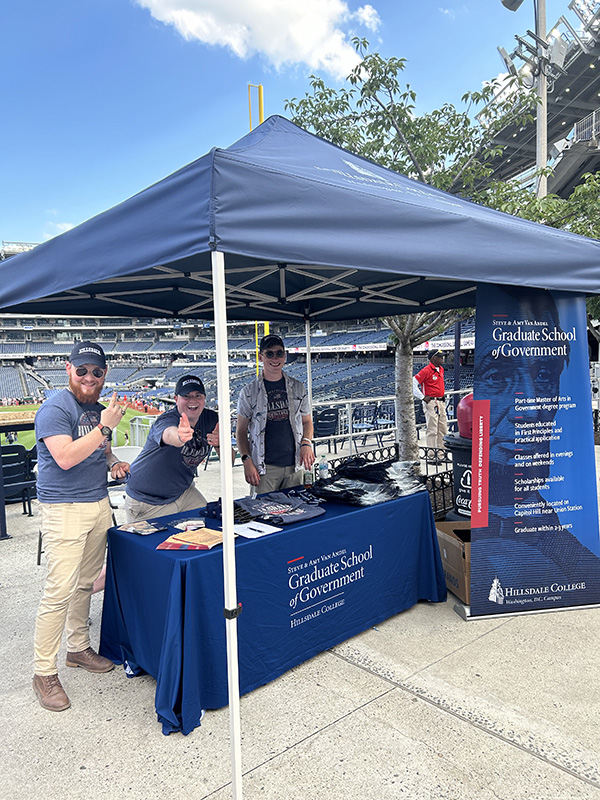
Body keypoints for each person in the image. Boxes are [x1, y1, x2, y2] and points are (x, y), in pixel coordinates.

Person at [33, 341, 130, 712]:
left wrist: (114, 463)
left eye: (97, 371)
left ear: (104, 374)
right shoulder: (56, 408)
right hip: (64, 509)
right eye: (83, 370)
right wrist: (105, 427)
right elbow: (66, 457)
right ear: (69, 370)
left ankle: (77, 649)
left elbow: (102, 453)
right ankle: (43, 672)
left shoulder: (96, 410)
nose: (89, 377)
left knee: (86, 584)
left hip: (97, 503)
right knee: (58, 591)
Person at [124, 374, 224, 521]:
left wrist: (221, 444)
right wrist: (180, 436)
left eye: (198, 395)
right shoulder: (167, 419)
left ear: (204, 398)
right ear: (176, 399)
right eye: (187, 396)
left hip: (182, 493)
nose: (193, 401)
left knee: (210, 526)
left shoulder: (211, 419)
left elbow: (230, 461)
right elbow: (168, 434)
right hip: (147, 500)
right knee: (152, 544)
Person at [237, 334, 315, 493]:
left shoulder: (298, 387)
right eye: (269, 354)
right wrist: (246, 460)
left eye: (279, 353)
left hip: (295, 465)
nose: (275, 358)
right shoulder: (248, 392)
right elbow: (240, 431)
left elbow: (307, 422)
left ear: (284, 356)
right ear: (261, 357)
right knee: (264, 514)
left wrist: (306, 442)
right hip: (264, 469)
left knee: (298, 511)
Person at [413, 349, 447, 462]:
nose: (442, 358)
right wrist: (422, 397)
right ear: (433, 358)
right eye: (440, 357)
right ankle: (432, 456)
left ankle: (441, 454)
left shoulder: (441, 369)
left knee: (442, 428)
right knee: (432, 429)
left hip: (441, 402)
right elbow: (413, 383)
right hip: (431, 402)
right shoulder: (426, 370)